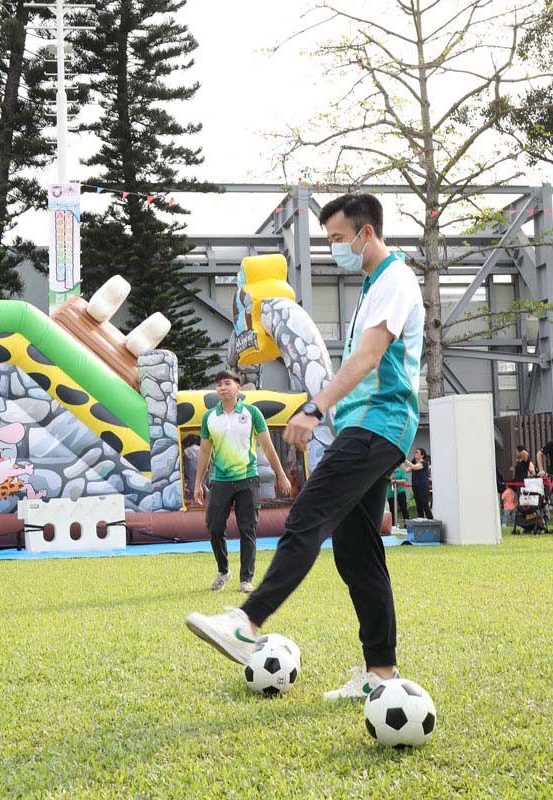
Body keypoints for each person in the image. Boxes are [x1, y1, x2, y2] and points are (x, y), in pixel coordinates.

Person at [185, 192, 424, 701]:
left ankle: (247, 623)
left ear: (366, 233)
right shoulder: (373, 285)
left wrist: (314, 408)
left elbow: (369, 356)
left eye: (338, 238)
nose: (334, 248)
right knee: (358, 553)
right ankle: (381, 674)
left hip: (378, 423)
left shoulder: (395, 279)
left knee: (307, 516)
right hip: (368, 424)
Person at [194, 370, 292, 594]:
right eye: (218, 384)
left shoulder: (252, 413)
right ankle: (223, 571)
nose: (222, 388)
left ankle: (246, 579)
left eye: (227, 383)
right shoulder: (209, 417)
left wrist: (281, 475)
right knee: (214, 527)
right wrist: (198, 483)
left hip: (248, 479)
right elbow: (204, 452)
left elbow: (268, 447)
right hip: (220, 480)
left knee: (247, 529)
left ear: (238, 386)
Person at [406, 447, 433, 519]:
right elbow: (406, 470)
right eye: (415, 452)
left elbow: (414, 467)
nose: (415, 453)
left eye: (417, 452)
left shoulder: (424, 463)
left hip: (423, 486)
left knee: (425, 504)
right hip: (415, 486)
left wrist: (404, 459)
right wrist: (400, 462)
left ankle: (431, 520)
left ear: (422, 455)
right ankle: (421, 520)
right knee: (418, 505)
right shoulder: (414, 463)